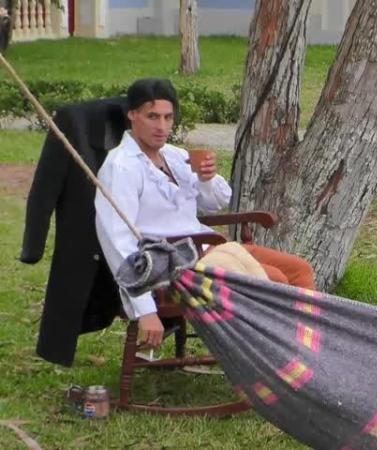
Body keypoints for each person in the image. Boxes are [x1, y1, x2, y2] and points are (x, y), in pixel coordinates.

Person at [95, 78, 315, 350]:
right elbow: (117, 242)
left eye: (168, 117)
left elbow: (215, 203)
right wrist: (144, 309)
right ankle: (273, 366)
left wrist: (206, 178)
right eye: (152, 117)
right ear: (132, 115)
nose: (162, 126)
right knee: (276, 281)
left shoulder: (174, 156)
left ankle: (306, 354)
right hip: (174, 268)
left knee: (299, 272)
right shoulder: (121, 168)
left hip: (208, 249)